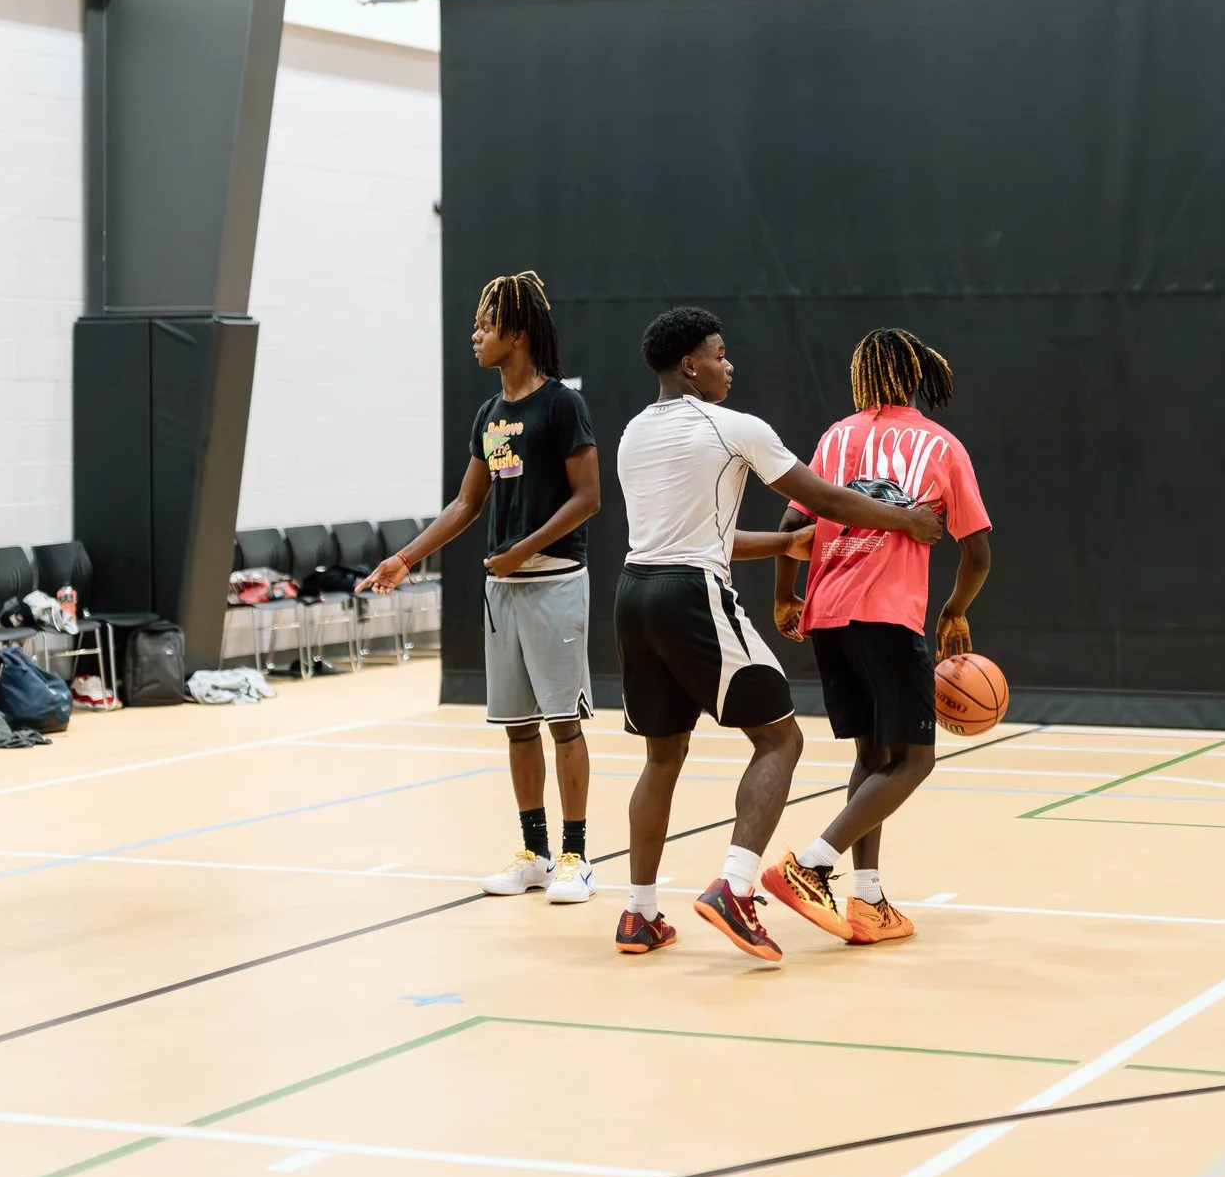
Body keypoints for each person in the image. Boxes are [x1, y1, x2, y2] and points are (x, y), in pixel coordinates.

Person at [611, 307, 941, 962]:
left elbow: (705, 535)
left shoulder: (634, 434)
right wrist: (906, 521)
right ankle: (734, 887)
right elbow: (832, 499)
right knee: (780, 737)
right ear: (689, 365)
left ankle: (639, 912)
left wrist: (788, 542)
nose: (729, 365)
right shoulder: (736, 428)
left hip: (634, 594)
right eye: (720, 354)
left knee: (661, 756)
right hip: (690, 594)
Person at [361, 272, 607, 904]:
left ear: (518, 334)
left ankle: (578, 858)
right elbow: (468, 503)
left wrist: (523, 550)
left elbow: (589, 499)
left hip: (554, 583)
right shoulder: (490, 415)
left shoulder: (561, 405)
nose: (474, 335)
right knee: (518, 728)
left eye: (486, 325)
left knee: (563, 725)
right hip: (505, 592)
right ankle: (535, 854)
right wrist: (406, 558)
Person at [763, 329, 991, 946]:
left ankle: (867, 900)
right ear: (917, 375)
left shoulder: (836, 436)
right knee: (915, 760)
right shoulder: (941, 445)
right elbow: (977, 553)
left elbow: (792, 520)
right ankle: (811, 863)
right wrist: (953, 611)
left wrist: (787, 594)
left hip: (828, 614)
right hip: (888, 615)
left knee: (872, 757)